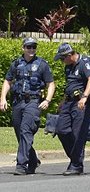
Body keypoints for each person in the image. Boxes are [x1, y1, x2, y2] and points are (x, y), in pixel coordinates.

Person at [0, 38, 55, 175]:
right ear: (23, 48)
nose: (31, 50)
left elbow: (51, 84)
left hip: (33, 102)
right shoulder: (16, 63)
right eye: (29, 47)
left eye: (34, 47)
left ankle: (21, 165)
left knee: (26, 130)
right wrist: (3, 98)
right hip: (18, 102)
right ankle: (33, 159)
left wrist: (47, 100)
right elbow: (8, 81)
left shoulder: (42, 64)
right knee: (20, 133)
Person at [53, 42, 90, 176]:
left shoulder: (85, 62)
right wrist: (62, 102)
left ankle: (76, 165)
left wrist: (84, 97)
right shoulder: (68, 67)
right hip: (69, 102)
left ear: (69, 55)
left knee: (78, 133)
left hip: (81, 103)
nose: (62, 61)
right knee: (61, 130)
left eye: (62, 58)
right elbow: (70, 85)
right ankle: (75, 159)